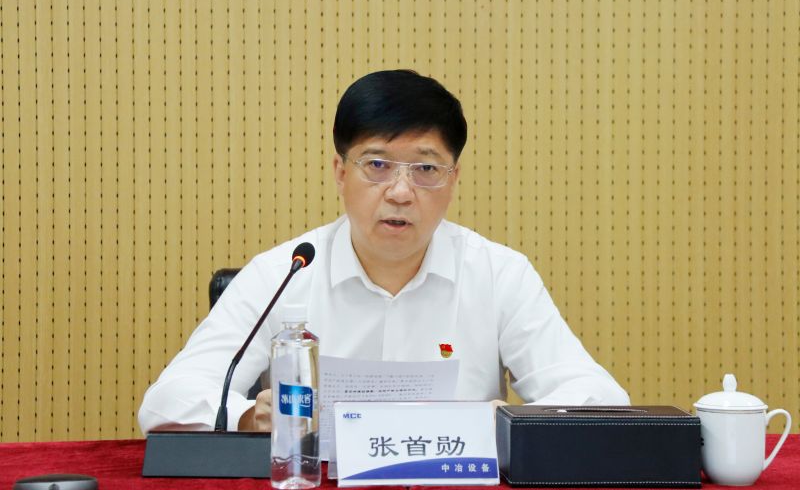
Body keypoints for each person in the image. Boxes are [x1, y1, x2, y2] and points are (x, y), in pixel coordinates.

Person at [138, 69, 629, 434]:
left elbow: (601, 400)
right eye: (377, 165)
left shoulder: (499, 274)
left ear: (453, 179)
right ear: (340, 172)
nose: (400, 191)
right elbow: (167, 402)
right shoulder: (282, 274)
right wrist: (247, 416)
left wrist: (499, 423)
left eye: (426, 169)